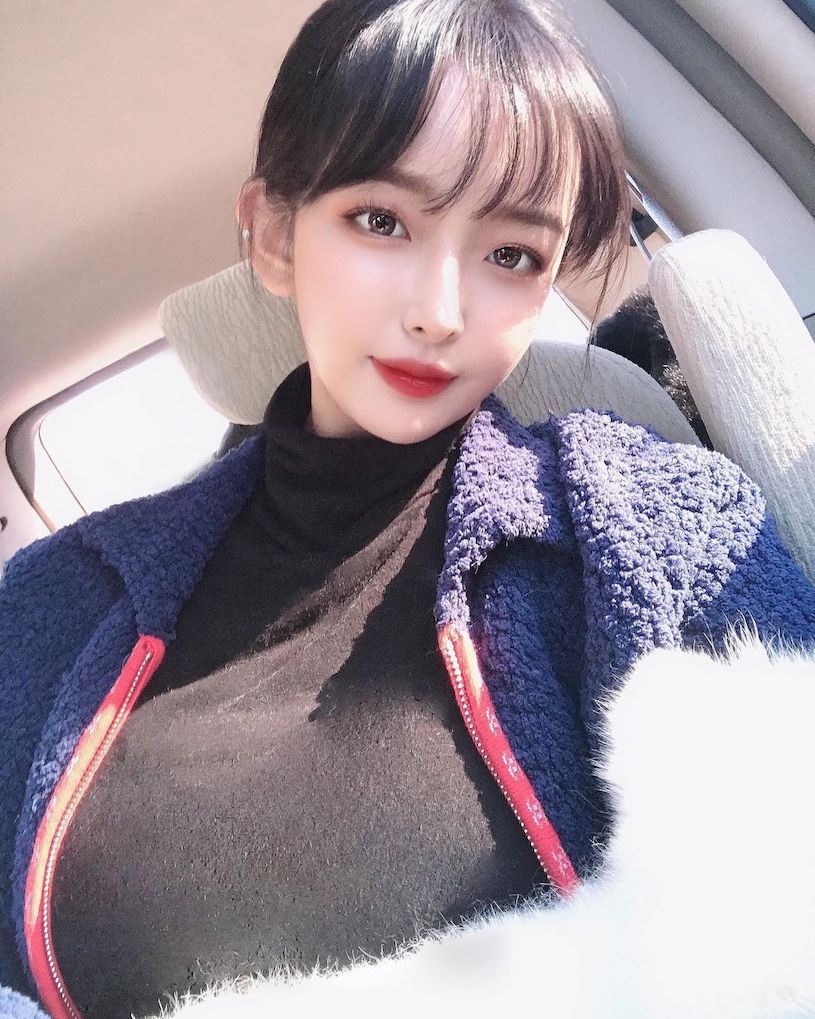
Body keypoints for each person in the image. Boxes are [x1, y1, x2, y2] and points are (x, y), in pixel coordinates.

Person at [1, 2, 813, 1018]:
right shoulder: (52, 610)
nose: (439, 310)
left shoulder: (650, 522)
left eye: (512, 255)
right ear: (273, 235)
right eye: (382, 221)